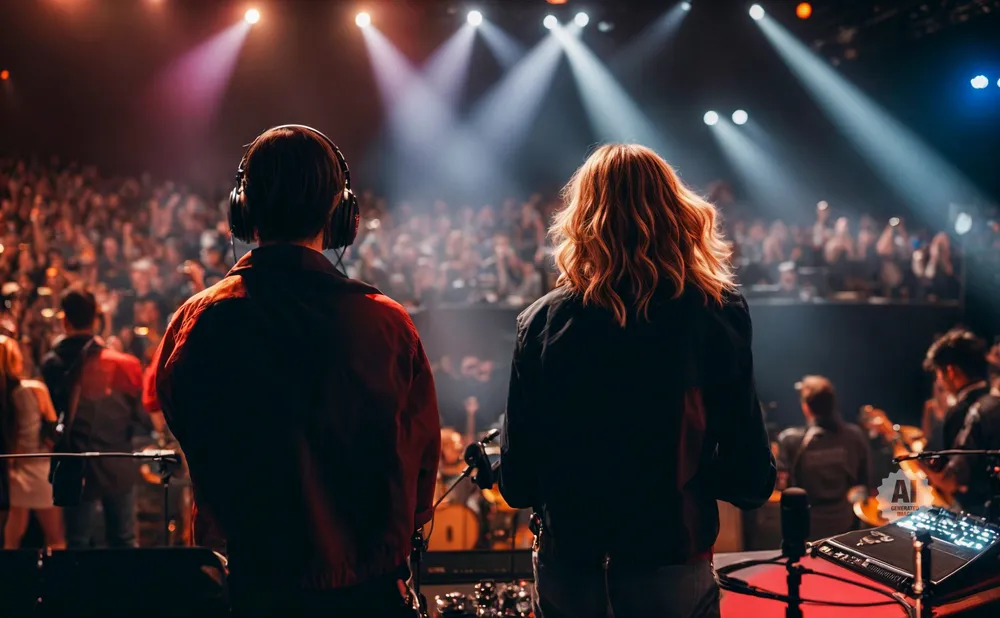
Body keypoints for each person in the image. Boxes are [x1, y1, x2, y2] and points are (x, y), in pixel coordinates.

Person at [147, 125, 440, 617]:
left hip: (251, 589)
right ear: (341, 212)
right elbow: (421, 458)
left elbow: (183, 422)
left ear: (243, 207)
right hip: (368, 593)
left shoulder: (199, 320)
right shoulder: (387, 322)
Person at [498, 144, 776, 618]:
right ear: (677, 214)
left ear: (582, 220)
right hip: (671, 563)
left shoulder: (540, 323)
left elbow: (518, 485)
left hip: (570, 567)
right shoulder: (715, 314)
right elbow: (750, 479)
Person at [40, 287, 149, 549]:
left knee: (77, 545)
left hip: (75, 467)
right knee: (123, 541)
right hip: (118, 463)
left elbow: (51, 418)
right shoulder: (124, 363)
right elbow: (141, 417)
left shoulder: (52, 364)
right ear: (96, 320)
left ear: (64, 320)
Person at [777, 376, 870, 540]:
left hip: (806, 531)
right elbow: (867, 482)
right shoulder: (855, 436)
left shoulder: (790, 440)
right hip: (846, 529)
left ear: (806, 407)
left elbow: (781, 485)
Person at [921, 329, 1000, 516]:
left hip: (977, 517)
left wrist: (918, 466)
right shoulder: (993, 402)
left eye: (939, 373)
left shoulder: (972, 410)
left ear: (950, 371)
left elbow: (953, 479)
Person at [1, 335, 65, 549]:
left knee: (11, 539)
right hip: (37, 466)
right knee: (55, 538)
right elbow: (52, 430)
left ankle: (10, 581)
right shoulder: (33, 389)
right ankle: (55, 580)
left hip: (11, 470)